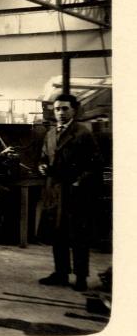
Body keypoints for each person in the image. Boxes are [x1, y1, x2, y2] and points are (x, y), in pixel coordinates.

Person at [38, 94, 101, 292]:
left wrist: (79, 181)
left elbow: (96, 164)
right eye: (57, 109)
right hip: (55, 192)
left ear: (74, 110)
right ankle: (61, 273)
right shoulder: (50, 134)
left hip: (76, 192)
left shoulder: (83, 133)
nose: (61, 113)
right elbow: (43, 157)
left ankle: (81, 276)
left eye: (65, 109)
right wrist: (41, 166)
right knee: (58, 233)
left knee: (78, 235)